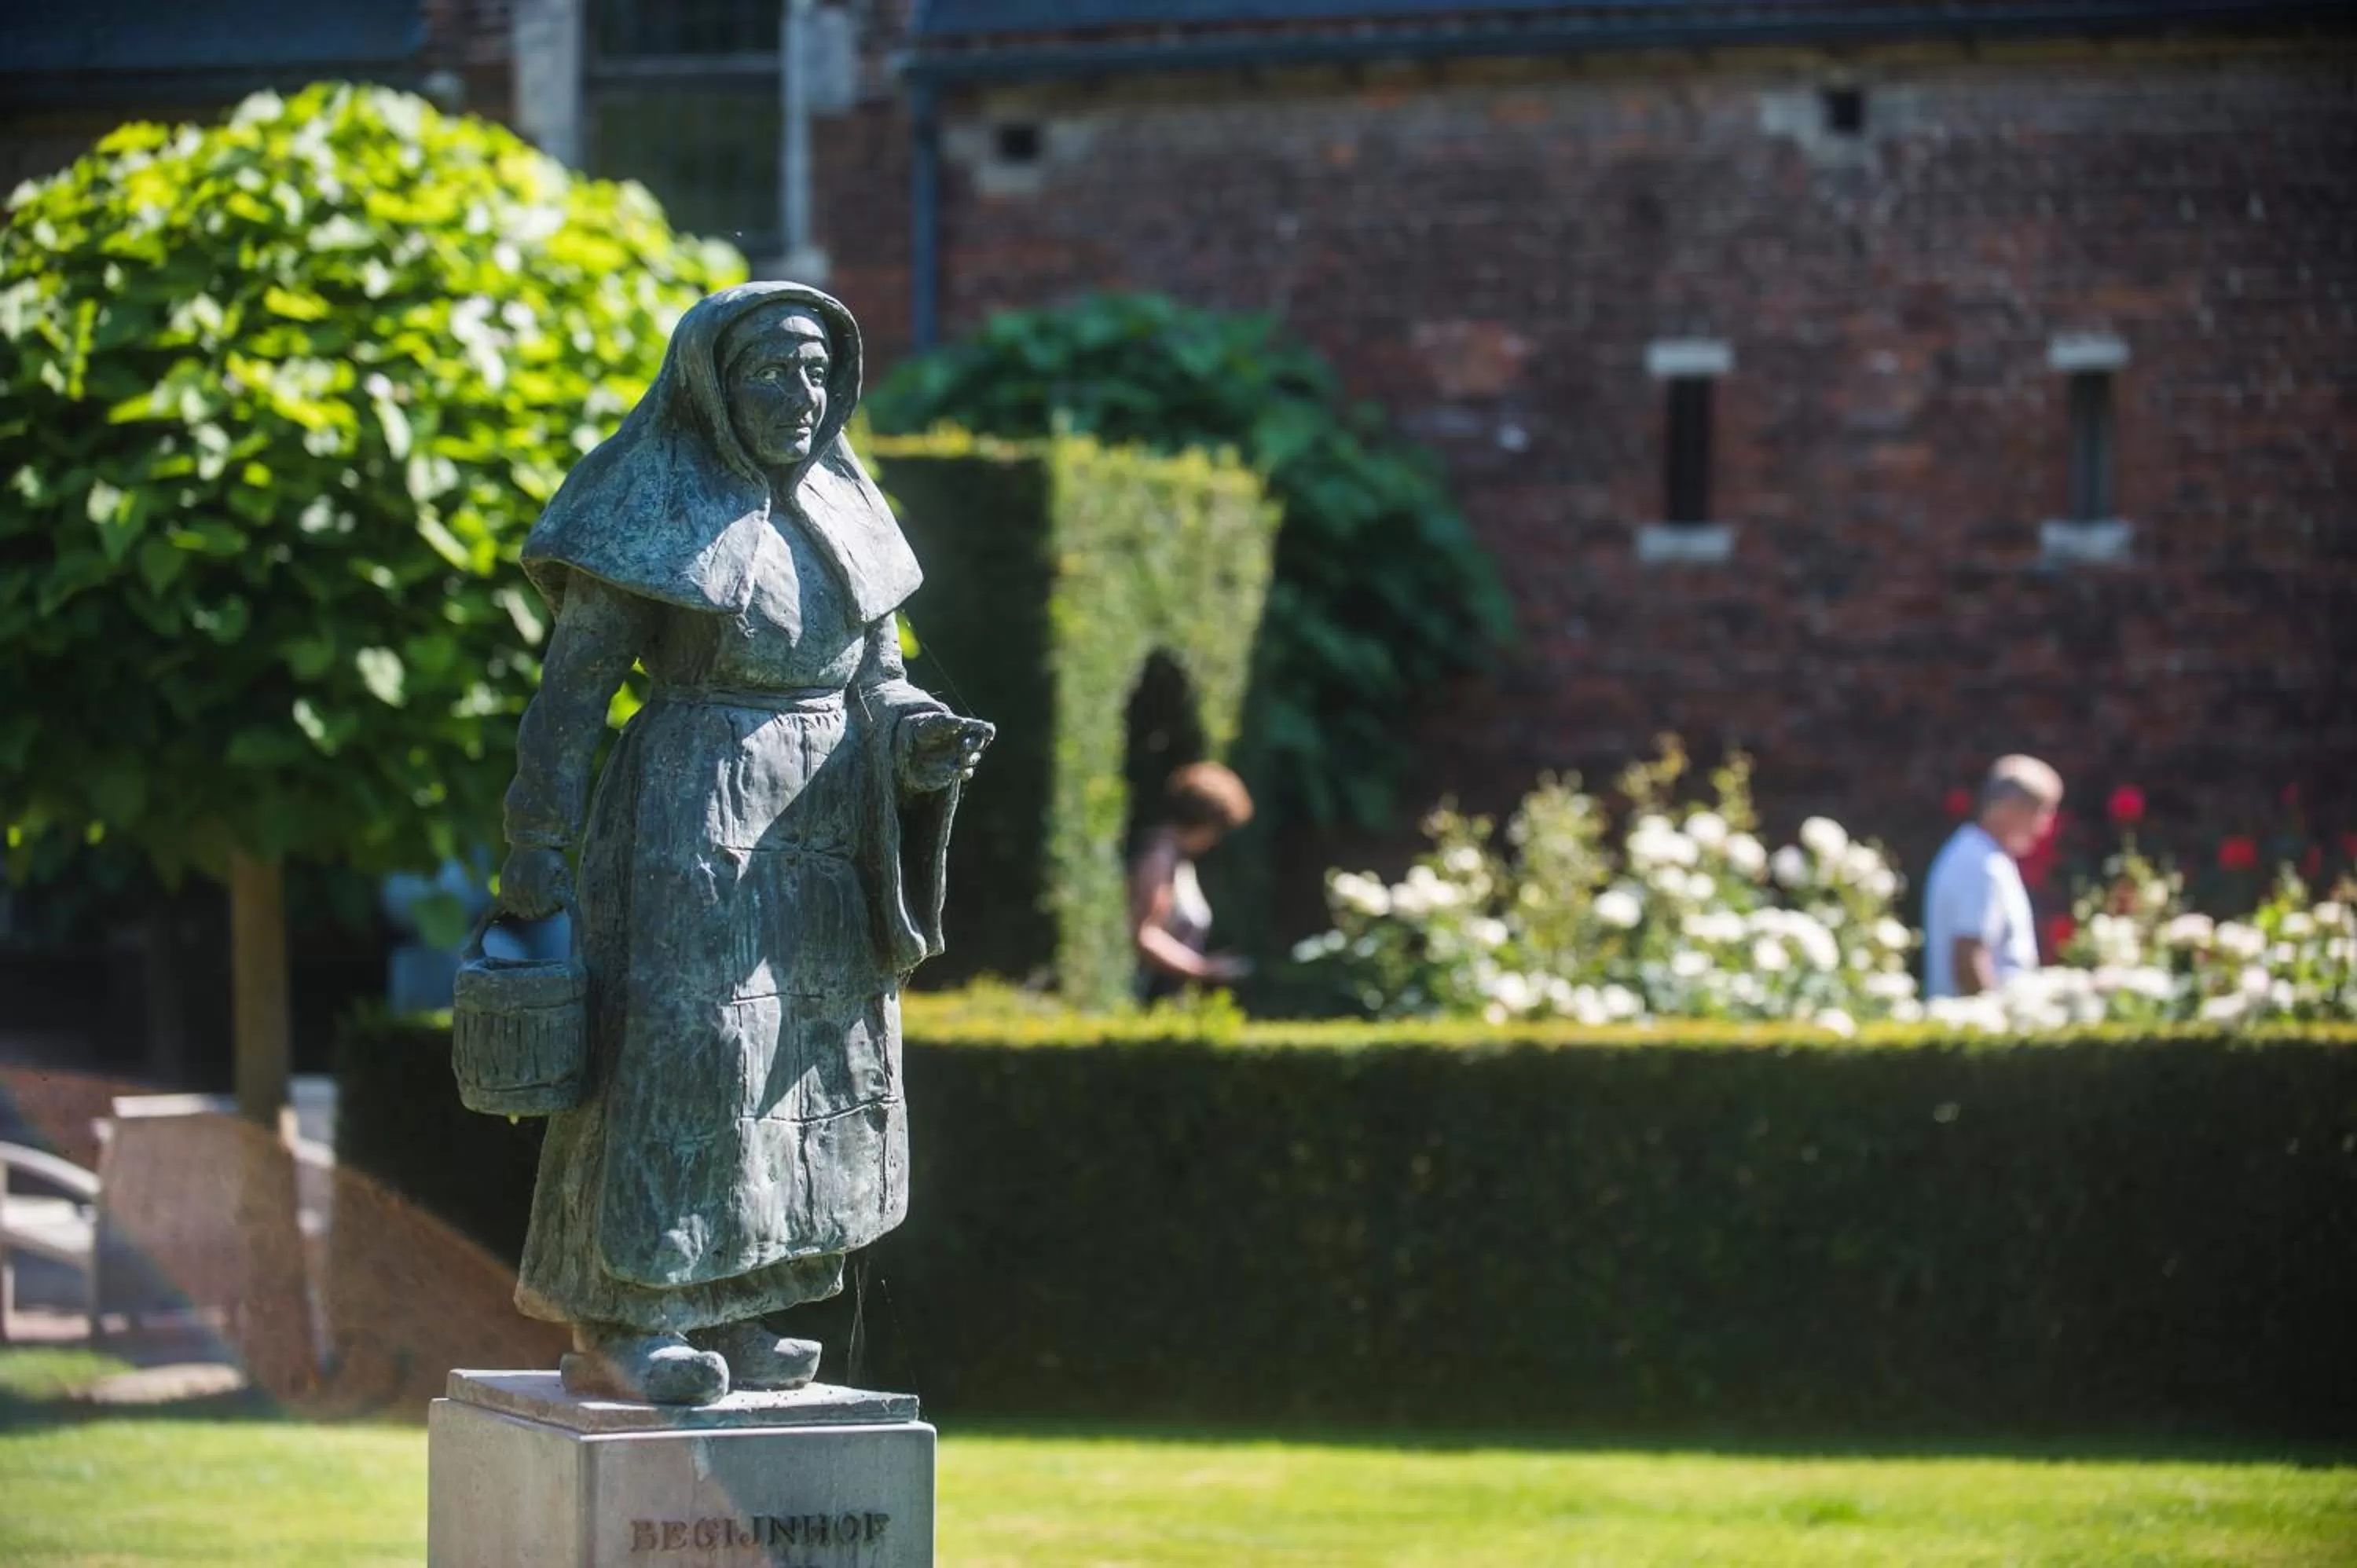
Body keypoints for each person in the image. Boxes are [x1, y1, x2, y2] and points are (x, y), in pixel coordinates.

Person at [491, 282, 992, 1405]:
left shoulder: (849, 511)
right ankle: (625, 1318)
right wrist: (534, 842)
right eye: (771, 371)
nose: (799, 396)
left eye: (817, 372)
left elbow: (883, 679)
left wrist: (921, 743)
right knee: (684, 1055)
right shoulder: (652, 506)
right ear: (713, 387)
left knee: (802, 1059)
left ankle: (746, 1301)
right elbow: (571, 697)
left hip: (827, 826)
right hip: (690, 811)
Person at [1923, 754, 2062, 998]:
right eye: (2042, 812)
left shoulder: (1980, 855)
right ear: (2010, 807)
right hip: (1974, 1028)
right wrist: (1997, 1023)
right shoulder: (1980, 864)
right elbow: (1969, 960)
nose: (2045, 827)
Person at [1129, 761, 1255, 1000]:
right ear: (1206, 824)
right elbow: (1145, 935)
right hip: (1149, 996)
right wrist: (1205, 969)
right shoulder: (1159, 858)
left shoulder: (1176, 858)